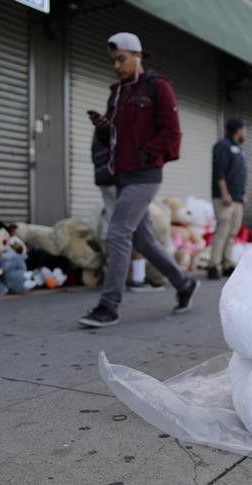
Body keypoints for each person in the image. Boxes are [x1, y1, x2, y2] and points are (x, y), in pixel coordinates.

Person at [78, 32, 199, 328]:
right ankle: (184, 284)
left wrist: (146, 154)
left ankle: (109, 306)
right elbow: (113, 137)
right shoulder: (116, 93)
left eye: (121, 59)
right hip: (122, 175)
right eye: (113, 61)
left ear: (138, 56)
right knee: (143, 240)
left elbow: (172, 133)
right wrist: (103, 129)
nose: (117, 66)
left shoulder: (158, 87)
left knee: (119, 232)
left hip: (145, 175)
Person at [92, 134, 161, 292]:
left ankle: (111, 278)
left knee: (112, 225)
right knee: (132, 228)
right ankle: (137, 278)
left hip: (105, 179)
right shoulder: (120, 122)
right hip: (122, 181)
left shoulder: (101, 129)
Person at [208, 118, 247, 280]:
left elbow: (239, 174)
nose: (245, 132)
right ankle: (213, 265)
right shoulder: (223, 146)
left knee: (232, 233)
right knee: (222, 231)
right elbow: (220, 172)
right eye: (244, 129)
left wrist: (242, 194)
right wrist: (224, 193)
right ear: (237, 130)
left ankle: (227, 263)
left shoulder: (238, 148)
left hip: (237, 198)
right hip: (225, 198)